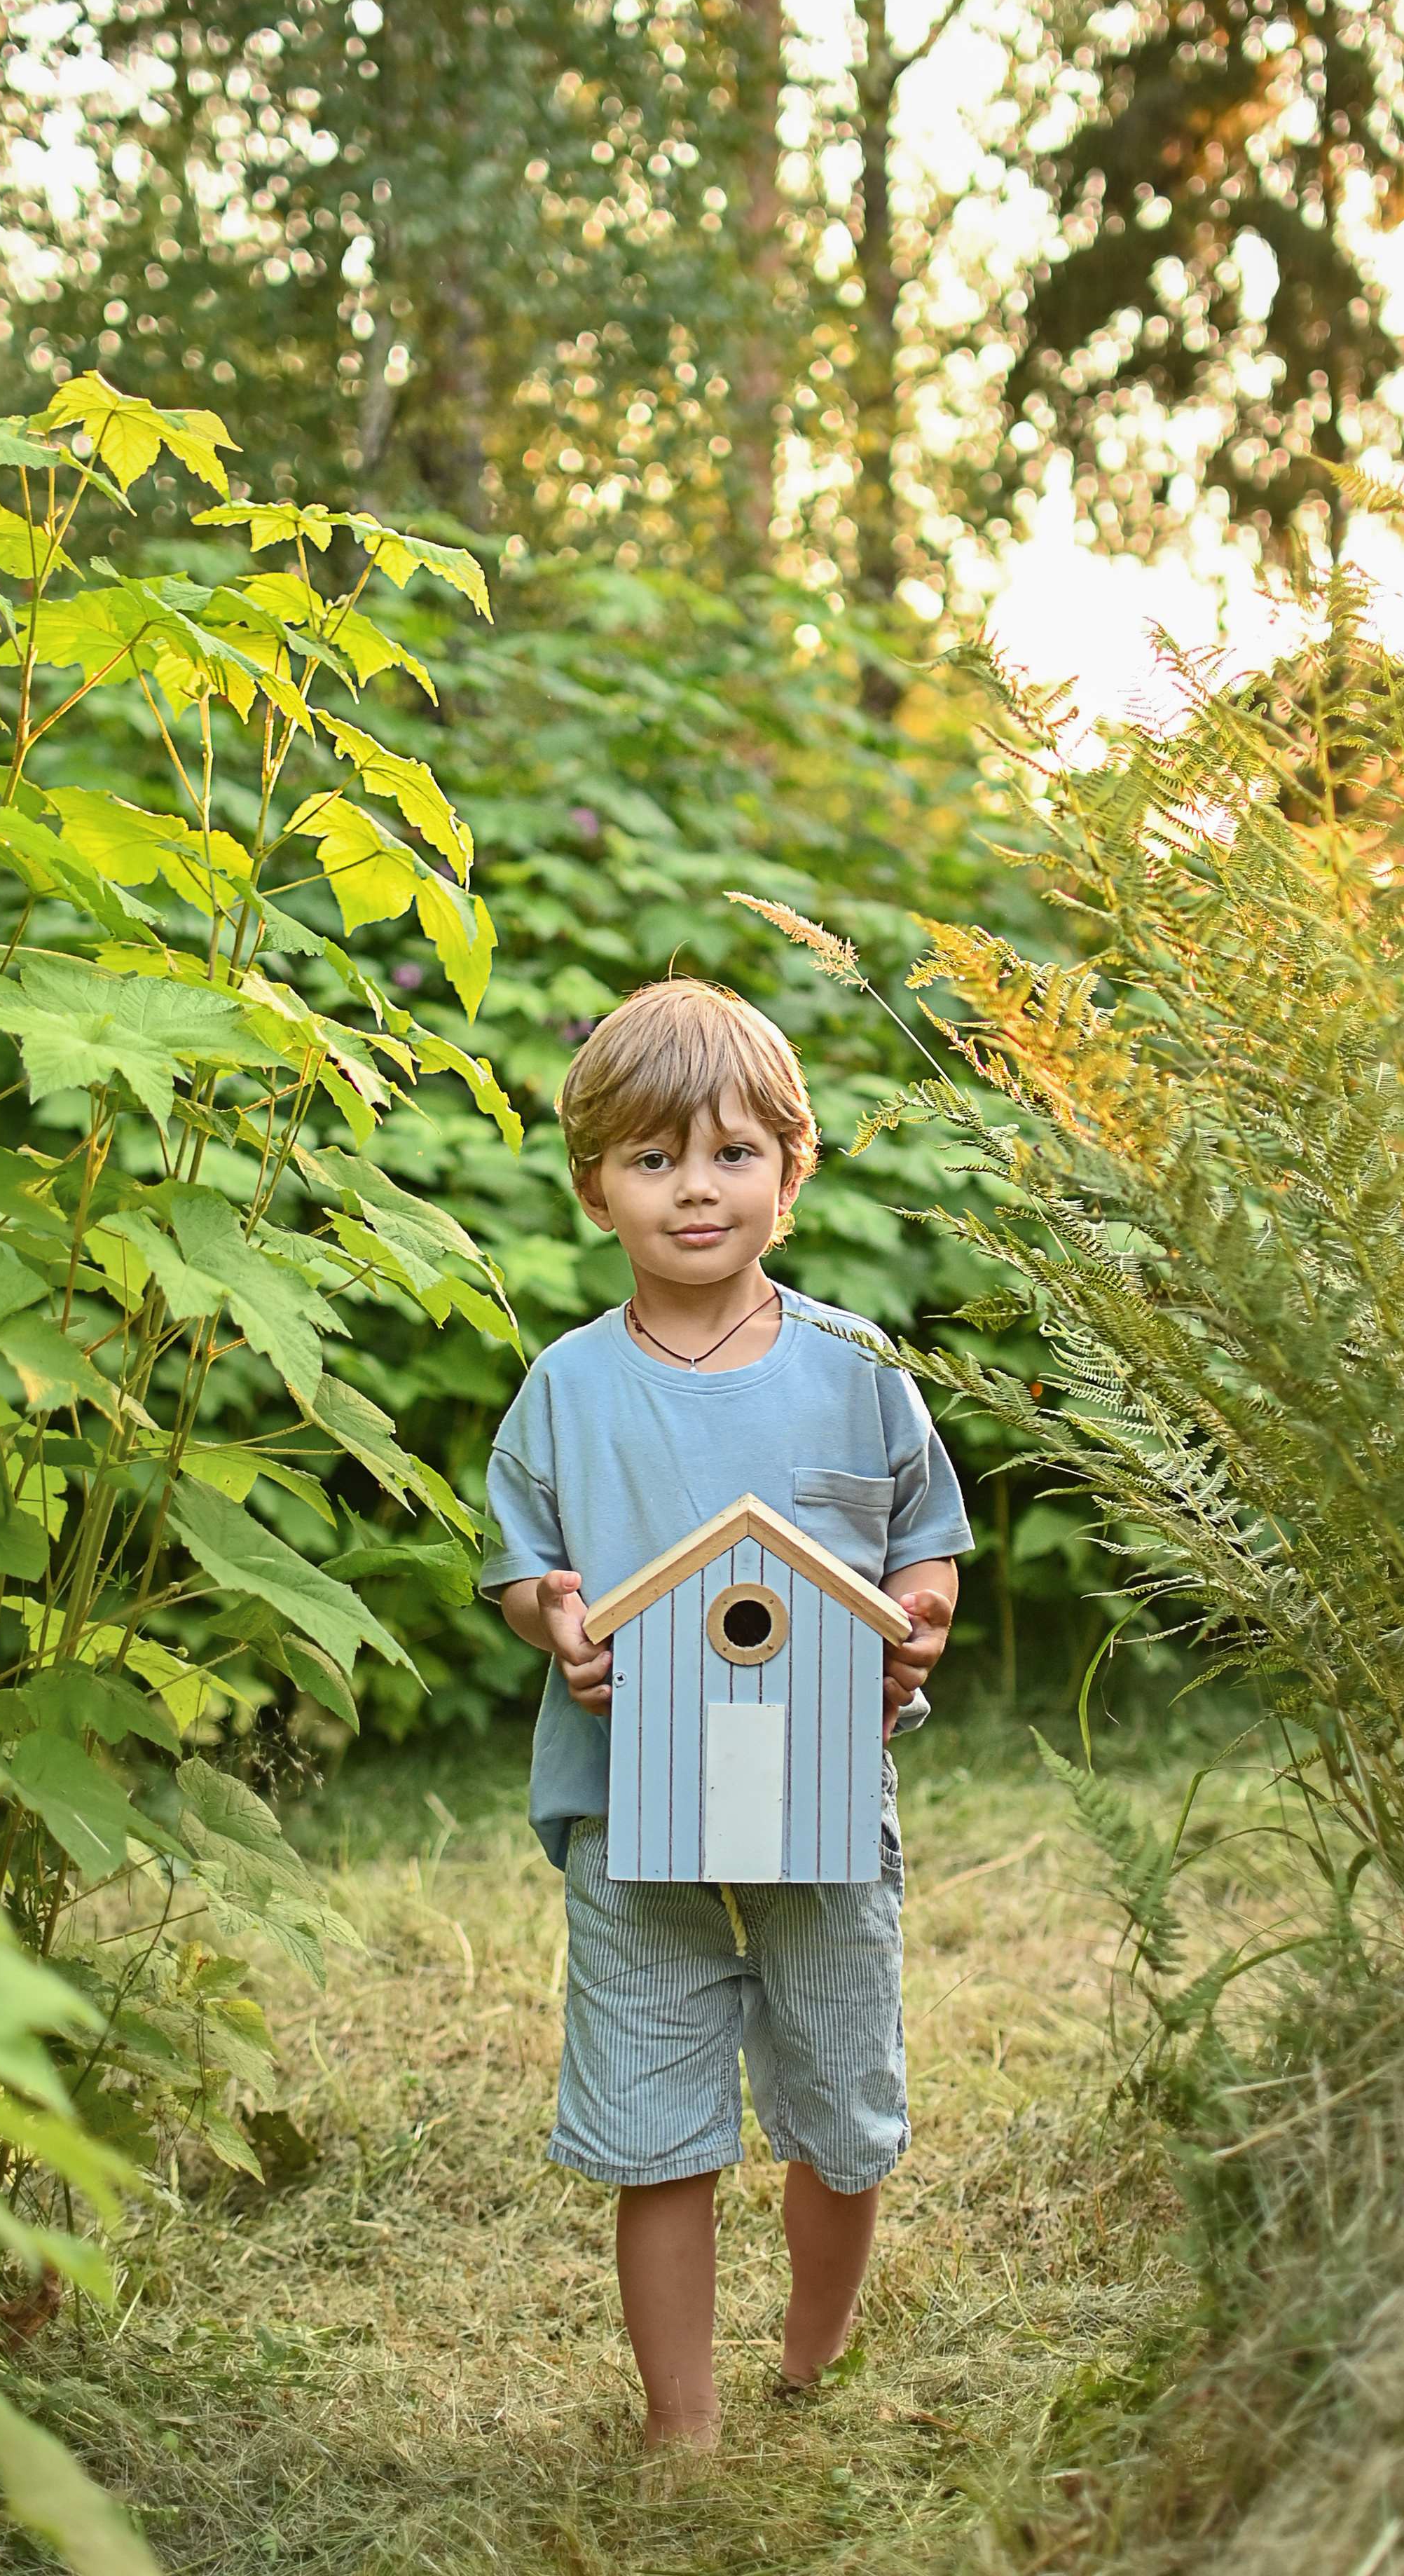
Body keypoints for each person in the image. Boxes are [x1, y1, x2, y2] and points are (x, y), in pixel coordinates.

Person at [484, 978, 972, 2453]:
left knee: (842, 2095)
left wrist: (920, 1620)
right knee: (657, 2127)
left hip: (819, 1793)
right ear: (594, 1190)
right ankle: (680, 2428)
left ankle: (810, 2358)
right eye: (651, 1160)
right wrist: (555, 1623)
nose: (694, 1189)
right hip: (634, 1809)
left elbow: (922, 1546)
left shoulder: (858, 1370)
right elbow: (525, 1568)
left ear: (790, 1167)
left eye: (730, 1155)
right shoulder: (567, 1387)